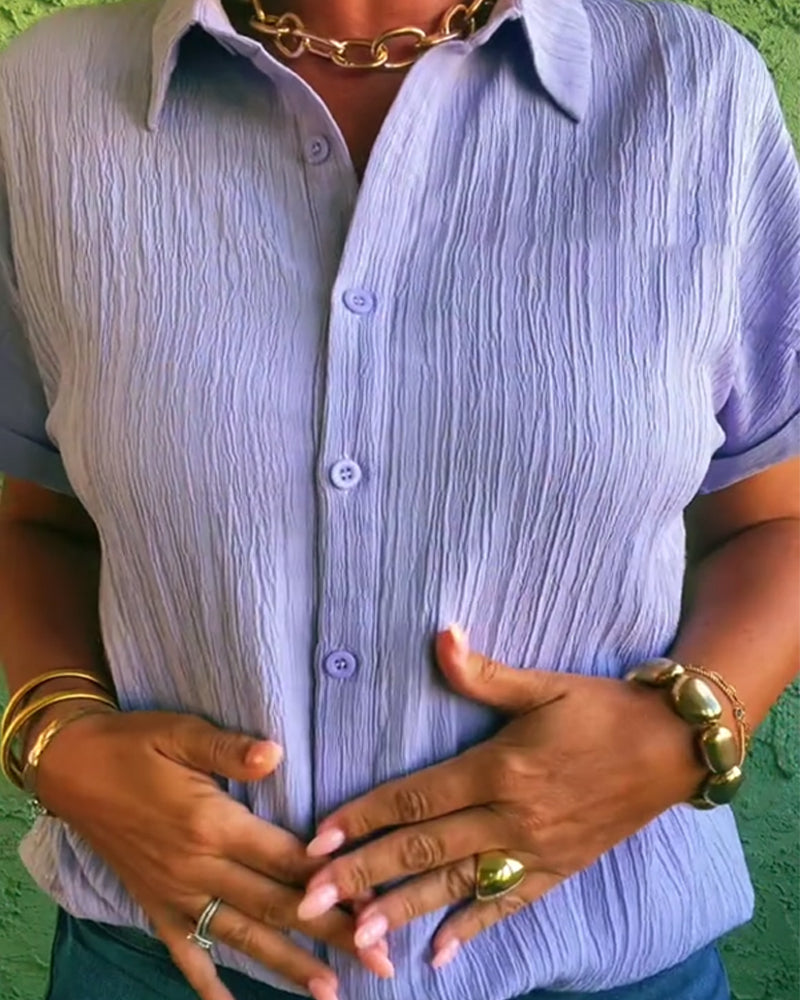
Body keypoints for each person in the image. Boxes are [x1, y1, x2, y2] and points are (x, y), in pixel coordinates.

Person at [0, 0, 798, 995]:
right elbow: (39, 517)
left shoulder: (693, 92)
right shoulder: (51, 96)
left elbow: (775, 516)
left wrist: (685, 732)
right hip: (165, 965)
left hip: (603, 957)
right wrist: (58, 736)